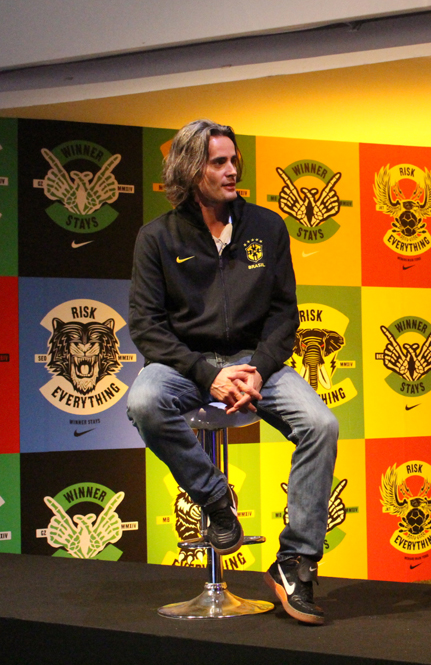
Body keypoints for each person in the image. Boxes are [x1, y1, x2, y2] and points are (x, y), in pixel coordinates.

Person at [126, 119, 337, 626]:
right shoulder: (156, 237)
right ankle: (216, 499)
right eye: (218, 162)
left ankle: (295, 562)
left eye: (233, 160)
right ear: (189, 169)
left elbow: (284, 314)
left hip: (255, 362)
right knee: (144, 402)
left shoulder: (268, 226)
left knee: (321, 424)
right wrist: (206, 375)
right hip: (184, 364)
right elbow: (146, 326)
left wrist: (258, 370)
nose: (231, 170)